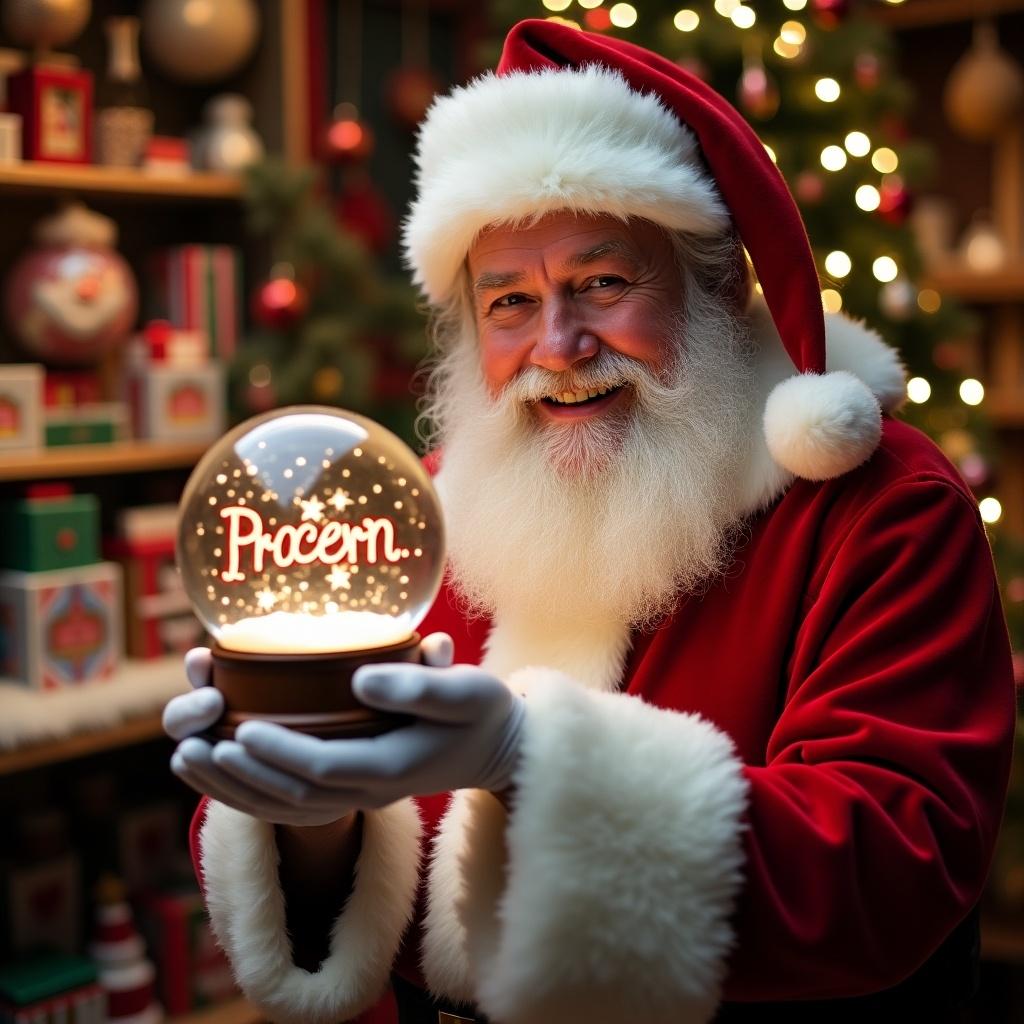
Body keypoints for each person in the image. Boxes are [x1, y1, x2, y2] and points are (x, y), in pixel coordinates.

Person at [164, 19, 1015, 1024]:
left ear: (715, 288)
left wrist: (533, 765)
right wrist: (308, 819)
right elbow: (368, 912)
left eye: (602, 284)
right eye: (510, 303)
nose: (557, 345)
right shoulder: (429, 513)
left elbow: (887, 869)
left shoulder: (883, 506)